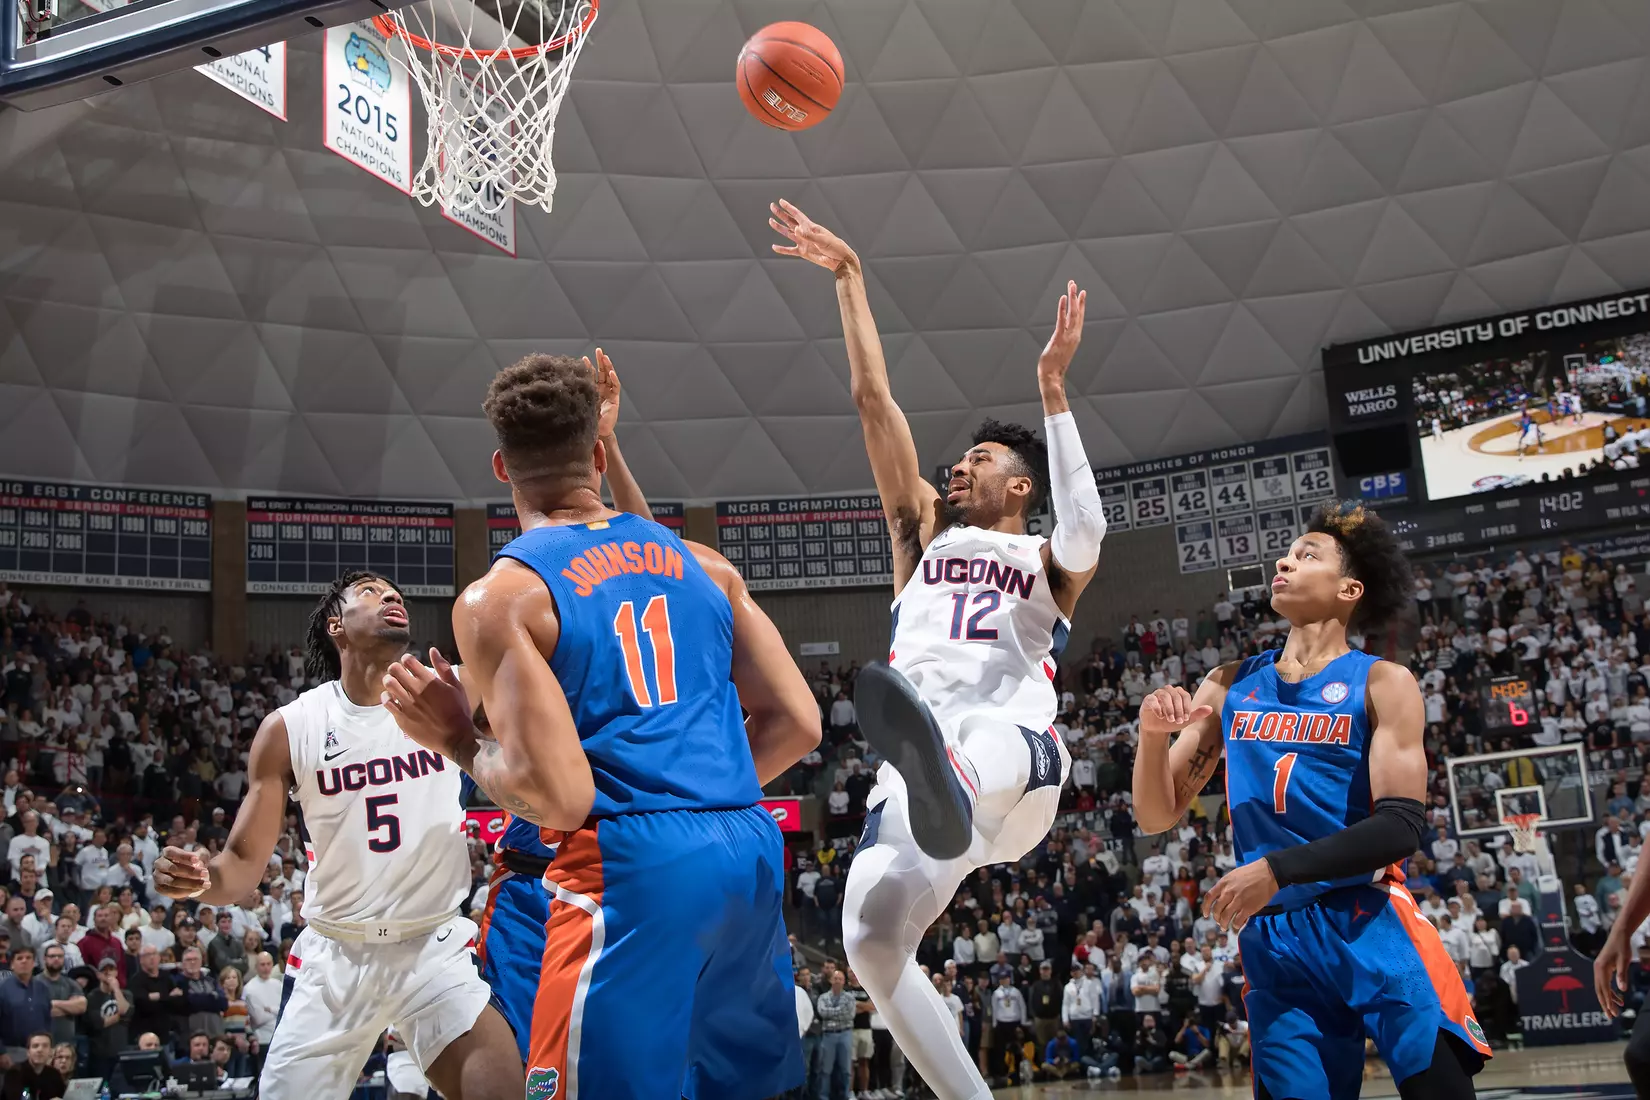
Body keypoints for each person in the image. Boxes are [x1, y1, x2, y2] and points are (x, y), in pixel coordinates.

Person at [380, 351, 820, 1100]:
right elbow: (799, 723)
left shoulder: (502, 599)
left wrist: (454, 737)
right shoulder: (704, 566)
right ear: (596, 453)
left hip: (630, 867)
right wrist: (696, 792)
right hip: (745, 851)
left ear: (500, 467)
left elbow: (559, 800)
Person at [771, 199, 1103, 1100]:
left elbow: (1089, 524)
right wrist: (849, 280)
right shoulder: (919, 534)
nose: (959, 465)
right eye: (956, 459)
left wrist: (1055, 392)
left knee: (976, 745)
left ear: (1020, 483)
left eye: (980, 458)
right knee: (869, 941)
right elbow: (873, 402)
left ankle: (942, 776)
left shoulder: (1045, 558)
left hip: (1014, 766)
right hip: (924, 790)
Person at [1133, 502, 1489, 1099]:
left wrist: (1278, 868)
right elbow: (1155, 813)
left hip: (1367, 917)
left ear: (1349, 588)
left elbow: (1401, 826)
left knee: (1442, 1092)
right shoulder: (1227, 683)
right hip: (1275, 938)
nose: (1284, 560)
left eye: (1306, 555)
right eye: (1287, 553)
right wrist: (1149, 737)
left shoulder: (1382, 682)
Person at [150, 575, 520, 1100]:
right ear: (336, 625)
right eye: (371, 591)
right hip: (337, 958)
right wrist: (199, 880)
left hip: (434, 947)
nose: (391, 597)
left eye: (395, 592)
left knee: (502, 1087)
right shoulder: (291, 727)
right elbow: (238, 866)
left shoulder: (453, 686)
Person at [3, 1032, 64, 1100]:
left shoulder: (54, 1074)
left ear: (51, 1052)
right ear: (28, 1052)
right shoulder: (15, 1073)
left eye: (45, 1046)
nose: (40, 1050)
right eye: (35, 1046)